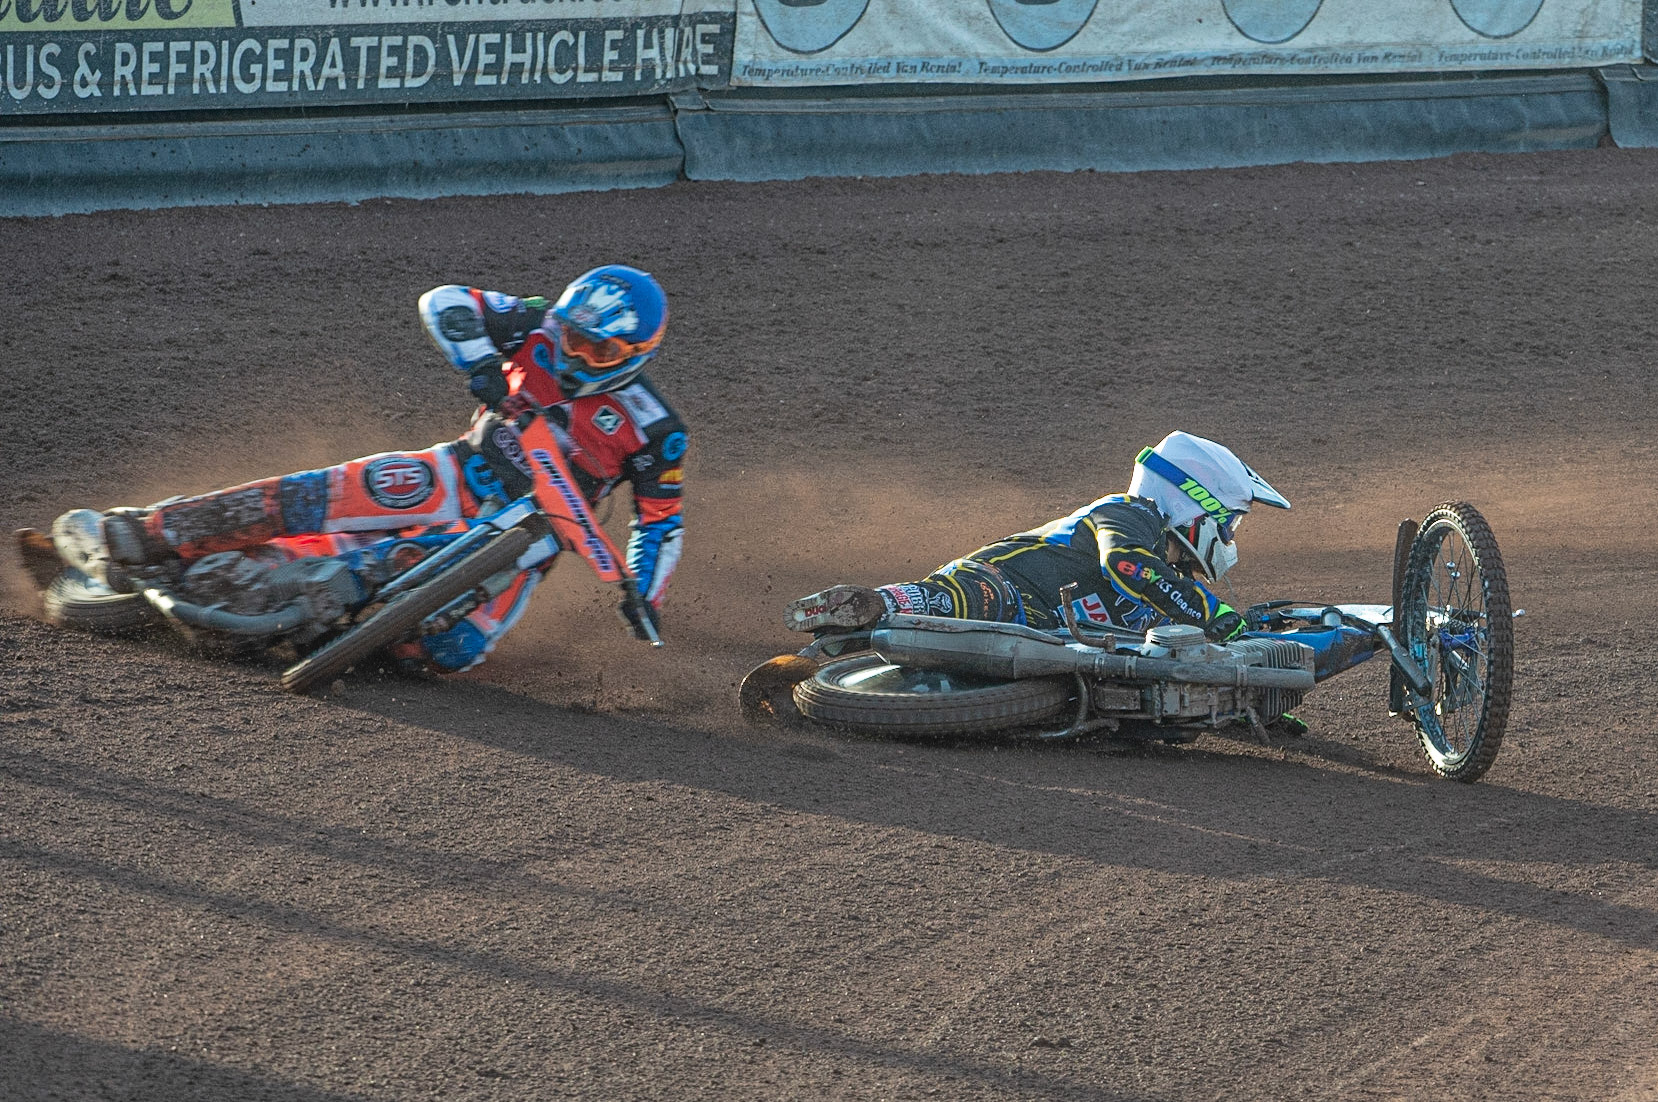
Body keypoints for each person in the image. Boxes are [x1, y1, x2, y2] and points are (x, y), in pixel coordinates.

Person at [48, 264, 687, 672]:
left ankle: (303, 598)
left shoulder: (655, 427)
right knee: (308, 497)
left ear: (635, 352)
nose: (574, 353)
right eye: (572, 337)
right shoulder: (537, 324)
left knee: (445, 653)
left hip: (531, 531)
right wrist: (482, 367)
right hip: (458, 471)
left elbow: (660, 522)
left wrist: (646, 595)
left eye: (595, 348)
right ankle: (138, 534)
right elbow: (445, 302)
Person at [785, 431, 1288, 642]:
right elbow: (1128, 564)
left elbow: (1198, 643)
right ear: (1193, 502)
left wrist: (1254, 695)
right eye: (1228, 521)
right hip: (1003, 585)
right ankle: (866, 605)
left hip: (1045, 639)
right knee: (980, 599)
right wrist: (1210, 612)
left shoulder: (1164, 591)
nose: (1227, 536)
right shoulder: (1132, 514)